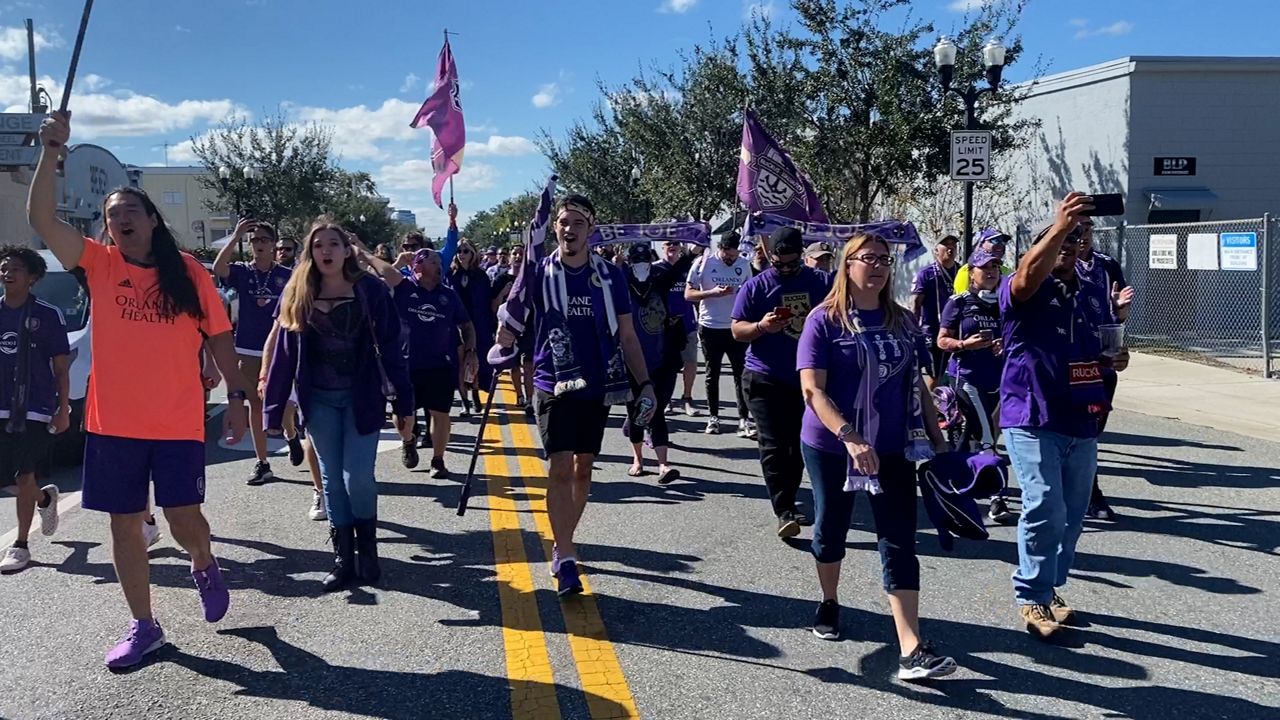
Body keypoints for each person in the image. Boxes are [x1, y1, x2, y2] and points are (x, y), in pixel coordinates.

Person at [28, 111, 249, 668]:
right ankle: (144, 626)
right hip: (113, 425)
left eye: (129, 211)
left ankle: (203, 563)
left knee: (183, 522)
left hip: (175, 423)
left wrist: (238, 402)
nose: (119, 219)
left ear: (152, 221)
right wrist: (51, 154)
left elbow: (221, 337)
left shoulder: (191, 274)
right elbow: (41, 219)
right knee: (124, 527)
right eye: (111, 215)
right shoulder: (99, 266)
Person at [797, 232, 955, 680]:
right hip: (832, 445)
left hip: (893, 447)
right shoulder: (824, 321)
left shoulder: (903, 322)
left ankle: (911, 648)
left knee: (900, 536)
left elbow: (918, 385)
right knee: (831, 526)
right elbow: (813, 390)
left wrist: (938, 442)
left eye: (886, 259)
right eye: (870, 258)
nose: (880, 266)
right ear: (847, 265)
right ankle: (829, 601)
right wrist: (850, 437)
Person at [495, 194, 656, 598]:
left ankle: (561, 538)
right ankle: (566, 556)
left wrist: (645, 383)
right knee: (561, 467)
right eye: (563, 223)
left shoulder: (609, 276)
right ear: (555, 228)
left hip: (597, 383)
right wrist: (506, 334)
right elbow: (513, 310)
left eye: (577, 224)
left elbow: (629, 334)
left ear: (590, 228)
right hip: (552, 382)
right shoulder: (540, 272)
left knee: (584, 469)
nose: (569, 230)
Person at [999, 193, 1131, 639]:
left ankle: (1050, 586)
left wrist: (1114, 357)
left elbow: (1099, 345)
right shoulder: (1023, 289)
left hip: (1081, 418)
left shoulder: (1093, 293)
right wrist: (1058, 228)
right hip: (1032, 415)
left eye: (1075, 245)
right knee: (1044, 507)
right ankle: (1032, 596)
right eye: (1060, 245)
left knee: (1073, 513)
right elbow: (1025, 278)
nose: (1069, 251)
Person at [262, 218, 415, 593]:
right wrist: (274, 407)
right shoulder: (297, 292)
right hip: (319, 399)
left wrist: (405, 403)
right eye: (318, 246)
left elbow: (394, 348)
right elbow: (283, 353)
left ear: (347, 250)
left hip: (362, 396)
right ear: (309, 253)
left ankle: (369, 555)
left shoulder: (370, 291)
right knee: (331, 478)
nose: (326, 251)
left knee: (357, 477)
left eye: (333, 244)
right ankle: (343, 560)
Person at [731, 228, 832, 538]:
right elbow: (737, 330)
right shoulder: (755, 286)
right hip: (764, 377)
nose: (786, 269)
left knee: (797, 446)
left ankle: (791, 499)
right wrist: (763, 326)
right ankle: (784, 510)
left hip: (807, 380)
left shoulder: (821, 282)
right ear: (770, 257)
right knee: (774, 445)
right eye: (780, 264)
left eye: (792, 263)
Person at [369, 247, 477, 478]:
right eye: (433, 261)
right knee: (402, 416)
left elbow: (466, 325)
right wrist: (362, 252)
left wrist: (470, 351)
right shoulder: (403, 287)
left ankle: (438, 460)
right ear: (417, 266)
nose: (439, 264)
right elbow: (383, 271)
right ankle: (408, 440)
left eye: (439, 261)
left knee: (441, 413)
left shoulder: (448, 294)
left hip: (440, 365)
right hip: (405, 365)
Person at [0, 247, 71, 573]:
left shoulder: (47, 314)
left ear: (32, 278)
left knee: (22, 474)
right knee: (12, 480)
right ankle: (43, 500)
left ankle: (21, 545)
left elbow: (61, 368)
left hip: (35, 408)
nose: (7, 273)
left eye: (15, 269)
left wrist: (63, 409)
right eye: (4, 268)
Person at [213, 220, 298, 485]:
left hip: (278, 350)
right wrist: (236, 235)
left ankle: (292, 434)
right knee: (257, 406)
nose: (258, 244)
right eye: (254, 240)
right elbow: (218, 268)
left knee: (284, 404)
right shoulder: (242, 271)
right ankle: (262, 463)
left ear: (273, 244)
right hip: (247, 349)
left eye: (263, 240)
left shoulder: (287, 274)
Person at [936, 247, 1011, 521]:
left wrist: (1006, 345)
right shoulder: (958, 302)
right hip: (967, 380)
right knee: (987, 440)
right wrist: (965, 344)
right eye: (984, 268)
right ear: (972, 273)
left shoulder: (1005, 302)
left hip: (1000, 380)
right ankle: (997, 499)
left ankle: (951, 484)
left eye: (995, 268)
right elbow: (941, 340)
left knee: (969, 441)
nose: (991, 272)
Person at [1076, 219, 1133, 521]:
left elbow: (1115, 316)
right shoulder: (1057, 264)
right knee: (1075, 430)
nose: (1082, 237)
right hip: (1066, 358)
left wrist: (1119, 314)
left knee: (1092, 431)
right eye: (1075, 231)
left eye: (1086, 230)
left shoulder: (1106, 265)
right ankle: (1089, 492)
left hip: (1100, 360)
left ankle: (1084, 489)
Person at [620, 242, 692, 484]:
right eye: (636, 260)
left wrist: (692, 249)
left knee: (656, 409)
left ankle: (663, 464)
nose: (641, 264)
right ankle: (638, 459)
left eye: (645, 260)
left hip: (662, 357)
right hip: (631, 359)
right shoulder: (621, 282)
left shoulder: (660, 279)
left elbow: (677, 270)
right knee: (637, 411)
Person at [685, 231, 753, 436]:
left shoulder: (743, 264)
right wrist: (713, 293)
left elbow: (750, 291)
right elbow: (688, 294)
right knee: (711, 374)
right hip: (710, 327)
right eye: (728, 255)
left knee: (741, 374)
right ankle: (713, 417)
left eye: (735, 255)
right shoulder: (702, 263)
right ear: (721, 249)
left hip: (735, 327)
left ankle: (744, 420)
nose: (732, 259)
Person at [449, 239, 495, 416]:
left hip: (478, 324)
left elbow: (487, 302)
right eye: (459, 251)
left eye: (466, 251)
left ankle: (475, 392)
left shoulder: (481, 276)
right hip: (457, 324)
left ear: (473, 254)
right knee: (460, 364)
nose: (461, 254)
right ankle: (464, 401)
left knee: (475, 362)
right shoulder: (451, 274)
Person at [655, 240, 700, 417]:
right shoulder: (655, 268)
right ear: (662, 247)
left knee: (690, 362)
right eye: (668, 244)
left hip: (686, 322)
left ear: (681, 247)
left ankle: (687, 398)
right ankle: (666, 400)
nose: (672, 246)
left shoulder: (688, 267)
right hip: (662, 325)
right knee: (664, 366)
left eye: (675, 243)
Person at [910, 234, 959, 391]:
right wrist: (913, 331)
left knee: (957, 374)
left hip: (957, 332)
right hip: (932, 332)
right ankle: (933, 410)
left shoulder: (962, 271)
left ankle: (952, 409)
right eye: (946, 245)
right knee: (935, 375)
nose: (950, 248)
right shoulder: (926, 274)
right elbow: (915, 305)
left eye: (953, 245)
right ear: (936, 250)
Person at [952, 229, 1012, 295]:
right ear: (982, 243)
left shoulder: (1006, 271)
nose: (1000, 245)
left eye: (1003, 241)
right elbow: (962, 301)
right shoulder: (967, 270)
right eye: (995, 241)